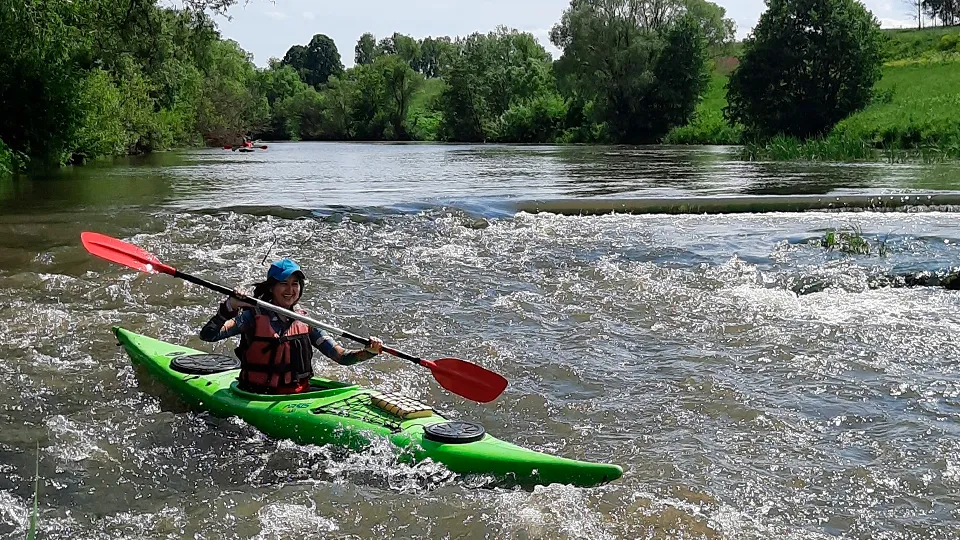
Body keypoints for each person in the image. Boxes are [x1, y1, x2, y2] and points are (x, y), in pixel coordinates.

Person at [199, 258, 384, 394]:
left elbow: (341, 357)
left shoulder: (306, 322)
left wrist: (369, 352)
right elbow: (209, 335)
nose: (290, 290)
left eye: (295, 284)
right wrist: (230, 307)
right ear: (271, 288)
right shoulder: (251, 317)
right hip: (257, 394)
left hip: (298, 395)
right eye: (283, 284)